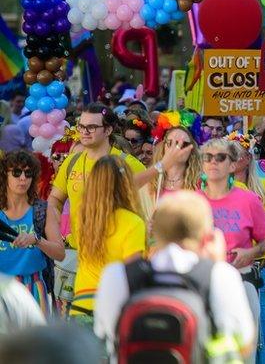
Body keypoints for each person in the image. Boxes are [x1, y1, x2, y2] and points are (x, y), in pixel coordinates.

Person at [93, 191, 256, 362]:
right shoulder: (220, 275)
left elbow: (105, 333)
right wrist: (216, 264)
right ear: (206, 236)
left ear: (154, 233)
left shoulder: (119, 274)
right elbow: (242, 341)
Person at [46, 104, 158, 250]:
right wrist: (53, 220)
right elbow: (56, 199)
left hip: (117, 254)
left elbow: (149, 212)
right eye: (81, 126)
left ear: (108, 130)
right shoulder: (71, 161)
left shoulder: (130, 164)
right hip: (78, 251)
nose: (84, 132)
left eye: (91, 127)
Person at [197, 138, 265, 349]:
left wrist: (252, 252)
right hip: (203, 284)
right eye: (208, 157)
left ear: (232, 165)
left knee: (243, 353)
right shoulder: (192, 201)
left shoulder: (249, 199)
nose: (213, 162)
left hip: (242, 280)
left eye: (220, 157)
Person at [71, 155, 146, 321]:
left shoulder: (83, 216)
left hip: (80, 305)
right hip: (113, 307)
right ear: (125, 184)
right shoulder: (133, 222)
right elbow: (133, 274)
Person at [0, 151, 64, 313]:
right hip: (3, 285)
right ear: (4, 175)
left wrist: (37, 240)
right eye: (16, 172)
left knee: (35, 339)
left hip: (34, 286)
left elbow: (60, 253)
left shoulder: (42, 209)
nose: (23, 178)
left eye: (28, 173)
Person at [146, 125, 200, 207]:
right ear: (163, 147)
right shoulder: (150, 181)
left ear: (191, 149)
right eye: (170, 143)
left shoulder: (200, 183)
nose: (176, 148)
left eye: (184, 144)